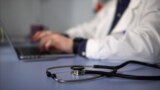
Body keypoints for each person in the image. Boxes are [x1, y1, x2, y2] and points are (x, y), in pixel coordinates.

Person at [32, 0, 160, 63]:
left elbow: (149, 46)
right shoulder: (113, 4)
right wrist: (61, 37)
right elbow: (90, 28)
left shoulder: (152, 3)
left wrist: (76, 46)